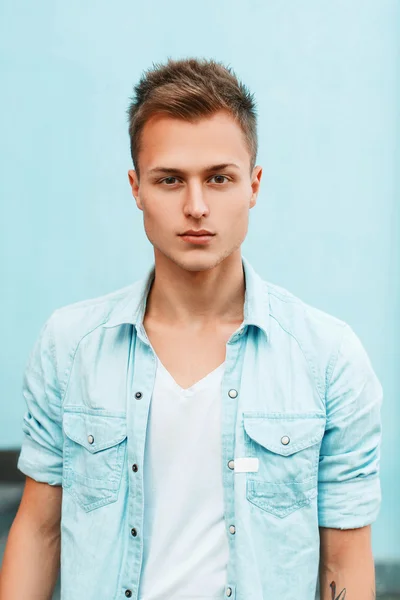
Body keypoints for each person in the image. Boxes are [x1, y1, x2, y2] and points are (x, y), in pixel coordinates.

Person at [0, 57, 382, 600]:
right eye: (170, 179)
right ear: (136, 188)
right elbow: (39, 532)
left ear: (254, 185)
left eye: (219, 178)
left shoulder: (328, 357)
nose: (196, 206)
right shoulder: (71, 347)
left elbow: (344, 560)